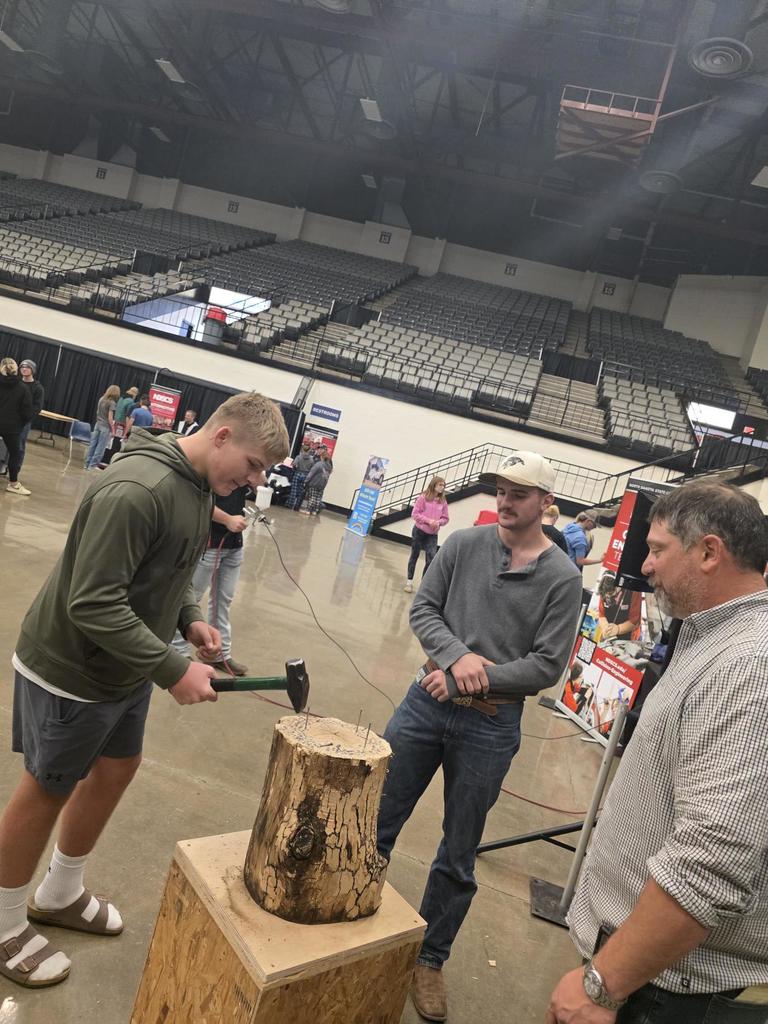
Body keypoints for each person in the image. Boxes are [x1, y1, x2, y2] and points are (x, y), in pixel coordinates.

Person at [0, 392, 288, 989]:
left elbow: (172, 567)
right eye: (256, 465)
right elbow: (92, 601)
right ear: (223, 436)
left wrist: (187, 620)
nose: (255, 481)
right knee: (45, 790)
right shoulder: (140, 490)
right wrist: (173, 668)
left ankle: (59, 892)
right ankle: (2, 924)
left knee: (116, 766)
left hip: (124, 668)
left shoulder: (201, 485)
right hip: (74, 669)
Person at [548, 480, 768, 1024]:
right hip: (650, 977)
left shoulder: (749, 664)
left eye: (658, 549)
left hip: (667, 992)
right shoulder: (715, 638)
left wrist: (603, 985)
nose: (645, 565)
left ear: (710, 552)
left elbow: (713, 859)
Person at [377, 450, 583, 1022]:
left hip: (491, 724)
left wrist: (475, 678)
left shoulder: (564, 580)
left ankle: (430, 959)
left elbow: (546, 667)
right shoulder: (465, 544)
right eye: (502, 488)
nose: (507, 499)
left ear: (546, 501)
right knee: (376, 820)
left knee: (459, 851)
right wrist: (457, 659)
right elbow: (424, 610)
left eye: (520, 492)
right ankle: (351, 915)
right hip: (425, 705)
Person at [172, 483, 256, 677]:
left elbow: (260, 481)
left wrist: (257, 473)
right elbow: (199, 500)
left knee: (223, 601)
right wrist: (227, 519)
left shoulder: (245, 471)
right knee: (190, 599)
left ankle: (221, 654)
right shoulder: (216, 469)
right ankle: (179, 652)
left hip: (234, 542)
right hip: (211, 542)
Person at [404, 476, 450, 593]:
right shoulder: (423, 498)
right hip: (419, 531)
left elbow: (445, 518)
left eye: (443, 485)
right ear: (434, 485)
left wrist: (438, 522)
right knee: (414, 555)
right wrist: (429, 521)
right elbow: (415, 514)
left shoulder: (443, 501)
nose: (442, 487)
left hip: (432, 534)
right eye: (440, 485)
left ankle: (423, 585)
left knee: (431, 559)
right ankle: (409, 582)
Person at [0, 357, 33, 496]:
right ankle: (13, 483)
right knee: (15, 454)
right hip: (11, 427)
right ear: (16, 370)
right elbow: (27, 412)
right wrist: (20, 423)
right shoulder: (23, 388)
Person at [597, 572, 642, 642]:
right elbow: (601, 615)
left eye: (612, 594)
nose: (608, 597)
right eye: (607, 596)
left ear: (619, 585)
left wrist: (618, 629)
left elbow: (634, 621)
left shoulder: (634, 591)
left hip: (628, 635)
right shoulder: (604, 590)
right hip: (610, 634)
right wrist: (605, 627)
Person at [84, 384, 119, 470]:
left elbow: (97, 412)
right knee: (101, 447)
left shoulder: (101, 399)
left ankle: (87, 464)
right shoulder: (112, 403)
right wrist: (113, 430)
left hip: (98, 424)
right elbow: (110, 418)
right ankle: (93, 466)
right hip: (106, 427)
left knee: (93, 445)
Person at [17, 360, 44, 472]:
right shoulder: (16, 383)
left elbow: (37, 408)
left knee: (19, 446)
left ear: (32, 370)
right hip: (9, 420)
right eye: (22, 366)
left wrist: (26, 419)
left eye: (27, 367)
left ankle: (15, 470)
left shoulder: (38, 388)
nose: (24, 368)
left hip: (24, 422)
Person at [299, 450, 331, 516]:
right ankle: (314, 511)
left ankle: (308, 510)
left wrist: (306, 481)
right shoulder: (329, 467)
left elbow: (311, 473)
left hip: (315, 482)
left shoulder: (318, 464)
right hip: (323, 484)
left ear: (321, 456)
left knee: (312, 497)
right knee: (318, 498)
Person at [287, 443, 314, 510]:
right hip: (305, 476)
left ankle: (290, 505)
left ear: (302, 449)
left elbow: (294, 464)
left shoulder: (299, 457)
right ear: (309, 450)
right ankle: (297, 506)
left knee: (294, 491)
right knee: (301, 492)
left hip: (298, 474)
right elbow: (312, 468)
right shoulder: (311, 459)